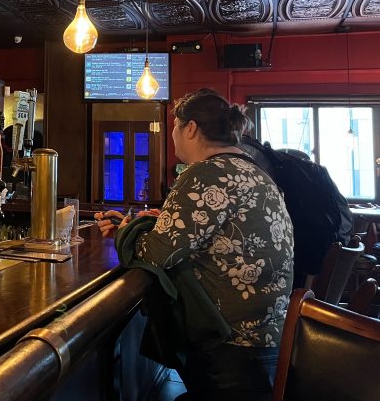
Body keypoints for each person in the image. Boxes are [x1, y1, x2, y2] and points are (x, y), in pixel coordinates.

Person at [97, 89, 294, 400]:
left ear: (189, 128)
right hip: (265, 339)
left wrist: (128, 230)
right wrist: (158, 220)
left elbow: (152, 255)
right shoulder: (253, 170)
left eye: (175, 126)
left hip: (233, 349)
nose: (173, 134)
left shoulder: (206, 173)